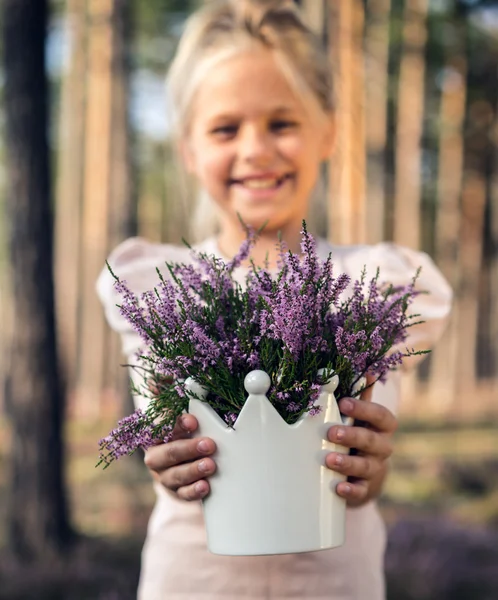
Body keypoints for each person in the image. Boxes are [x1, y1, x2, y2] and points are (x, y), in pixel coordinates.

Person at [97, 1, 452, 598]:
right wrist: (168, 467)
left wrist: (372, 470)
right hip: (193, 581)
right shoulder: (160, 291)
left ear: (328, 131)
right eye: (225, 128)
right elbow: (170, 443)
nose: (256, 149)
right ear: (188, 148)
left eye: (282, 123)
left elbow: (367, 454)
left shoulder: (374, 288)